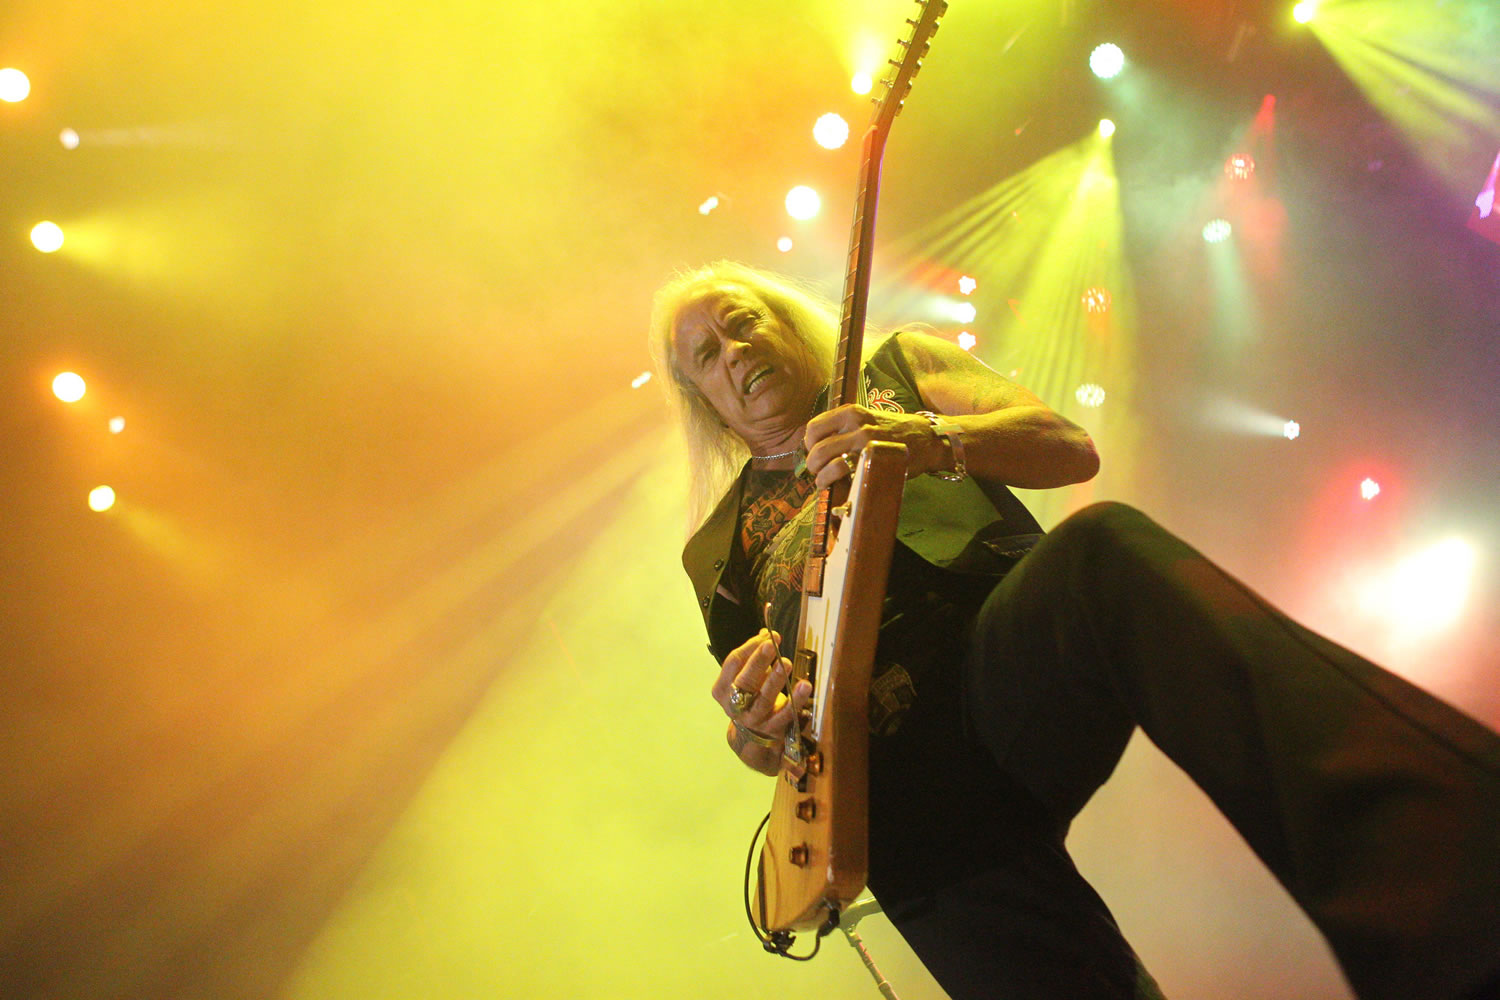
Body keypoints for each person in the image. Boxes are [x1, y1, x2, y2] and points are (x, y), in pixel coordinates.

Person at [649, 260, 1500, 1000]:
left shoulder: (897, 369)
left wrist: (927, 438)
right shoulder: (713, 553)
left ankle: (1449, 891)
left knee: (1099, 553)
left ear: (786, 324)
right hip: (905, 797)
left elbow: (1067, 447)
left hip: (1008, 671)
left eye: (742, 323)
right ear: (703, 401)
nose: (736, 351)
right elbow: (770, 740)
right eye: (708, 355)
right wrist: (753, 732)